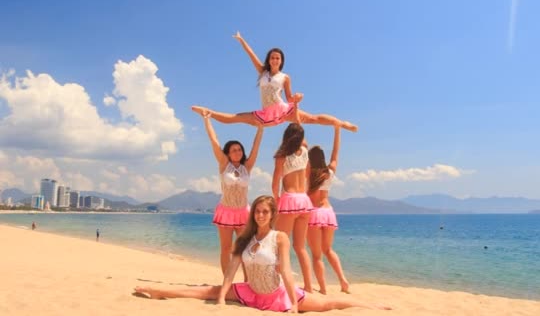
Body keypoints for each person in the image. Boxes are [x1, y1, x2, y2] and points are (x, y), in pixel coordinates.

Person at [134, 196, 390, 312]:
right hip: (250, 292)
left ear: (272, 215)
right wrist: (223, 298)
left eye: (265, 212)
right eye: (257, 211)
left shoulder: (280, 238)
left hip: (278, 296)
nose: (260, 215)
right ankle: (158, 291)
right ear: (253, 214)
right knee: (208, 291)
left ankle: (372, 305)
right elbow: (231, 271)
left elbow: (287, 272)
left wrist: (292, 305)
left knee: (330, 304)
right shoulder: (245, 238)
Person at [191, 31, 358, 132]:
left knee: (312, 119)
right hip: (266, 113)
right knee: (237, 117)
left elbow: (289, 97)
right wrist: (241, 40)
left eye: (278, 58)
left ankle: (342, 124)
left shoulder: (285, 77)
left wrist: (297, 98)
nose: (275, 60)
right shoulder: (262, 72)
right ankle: (208, 112)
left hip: (283, 109)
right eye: (272, 57)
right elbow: (251, 55)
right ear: (269, 60)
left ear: (281, 61)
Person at [193, 108, 263, 275]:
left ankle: (248, 281)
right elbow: (214, 140)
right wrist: (207, 120)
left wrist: (260, 129)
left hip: (243, 212)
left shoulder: (247, 166)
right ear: (228, 153)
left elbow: (255, 148)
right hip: (226, 211)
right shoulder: (224, 164)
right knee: (226, 249)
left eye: (239, 149)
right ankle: (227, 281)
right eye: (233, 150)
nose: (237, 152)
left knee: (244, 248)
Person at [272, 123, 314, 292]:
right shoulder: (305, 153)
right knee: (301, 247)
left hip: (289, 200)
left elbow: (275, 183)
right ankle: (310, 287)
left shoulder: (282, 156)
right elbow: (308, 175)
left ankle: (277, 283)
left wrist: (276, 200)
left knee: (279, 245)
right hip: (304, 200)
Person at [307, 126, 349, 294]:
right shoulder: (329, 171)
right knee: (328, 250)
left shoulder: (308, 174)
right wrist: (337, 131)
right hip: (329, 212)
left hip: (314, 213)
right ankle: (343, 280)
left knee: (317, 255)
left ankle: (323, 288)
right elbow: (336, 152)